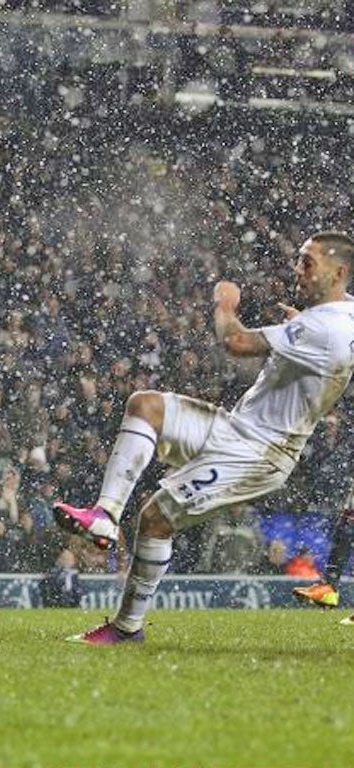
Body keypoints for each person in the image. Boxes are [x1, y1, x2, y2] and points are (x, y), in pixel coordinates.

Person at [54, 232, 354, 644]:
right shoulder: (342, 316)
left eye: (308, 263)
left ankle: (126, 628)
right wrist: (297, 330)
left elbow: (236, 341)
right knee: (146, 405)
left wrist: (225, 303)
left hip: (261, 451)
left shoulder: (323, 327)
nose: (297, 269)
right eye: (299, 259)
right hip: (237, 427)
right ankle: (104, 516)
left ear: (339, 272)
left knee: (155, 519)